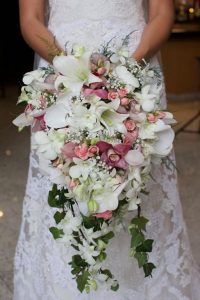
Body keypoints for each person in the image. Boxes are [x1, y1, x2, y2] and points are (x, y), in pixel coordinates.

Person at [14, 0, 200, 299]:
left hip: (136, 66)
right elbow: (31, 18)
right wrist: (72, 70)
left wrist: (124, 72)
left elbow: (162, 13)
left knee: (140, 178)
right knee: (65, 176)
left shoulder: (132, 67)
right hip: (63, 72)